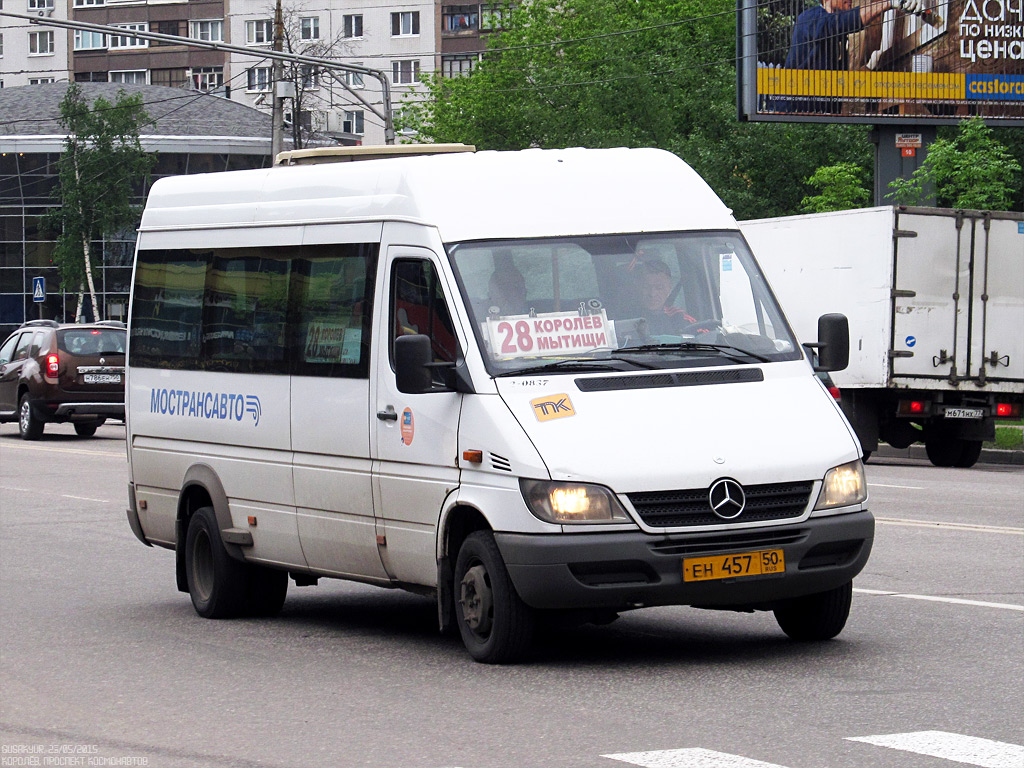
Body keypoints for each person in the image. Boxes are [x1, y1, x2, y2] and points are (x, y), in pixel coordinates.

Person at [780, 0, 926, 113]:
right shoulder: (810, 17)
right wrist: (889, 3)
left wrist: (870, 67)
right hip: (791, 113)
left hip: (818, 116)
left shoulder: (839, 37)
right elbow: (841, 23)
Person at [638, 260, 696, 336]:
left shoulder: (679, 318)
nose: (652, 294)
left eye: (659, 287)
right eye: (646, 287)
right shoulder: (622, 316)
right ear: (638, 287)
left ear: (669, 288)